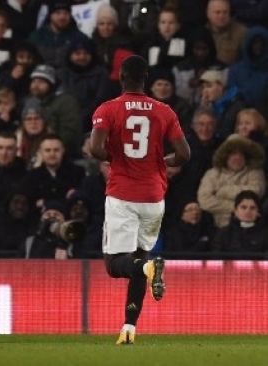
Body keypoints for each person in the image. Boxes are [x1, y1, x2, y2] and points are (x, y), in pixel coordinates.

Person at [90, 55, 190, 345]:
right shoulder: (164, 111)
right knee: (139, 257)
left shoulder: (108, 109)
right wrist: (160, 161)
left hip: (123, 195)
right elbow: (184, 155)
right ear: (145, 77)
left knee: (114, 265)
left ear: (121, 77)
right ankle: (129, 329)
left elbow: (95, 149)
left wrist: (116, 157)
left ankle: (148, 270)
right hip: (154, 197)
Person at [211, 190, 268, 257]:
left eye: (252, 208)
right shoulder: (223, 233)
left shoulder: (266, 233)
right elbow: (215, 258)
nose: (248, 211)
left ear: (258, 212)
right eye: (243, 207)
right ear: (235, 211)